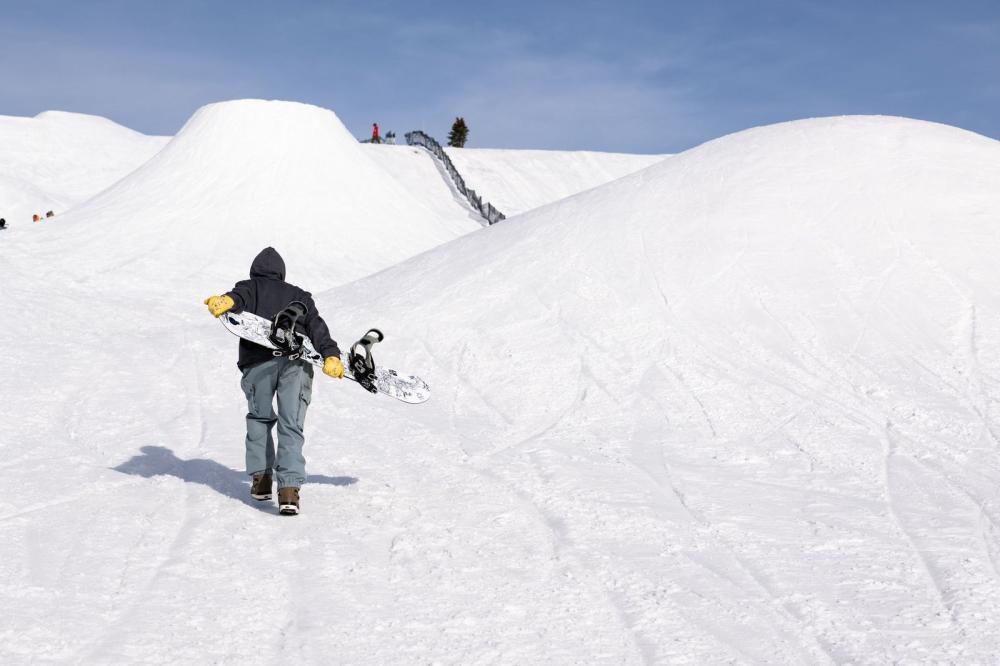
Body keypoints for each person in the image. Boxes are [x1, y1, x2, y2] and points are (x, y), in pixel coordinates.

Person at [203, 247, 345, 515]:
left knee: (259, 418)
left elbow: (238, 298)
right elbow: (316, 326)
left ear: (255, 271)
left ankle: (262, 479)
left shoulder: (249, 287)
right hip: (296, 364)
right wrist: (331, 355)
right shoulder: (299, 296)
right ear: (282, 274)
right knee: (291, 422)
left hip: (258, 363)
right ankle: (289, 489)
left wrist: (227, 300)